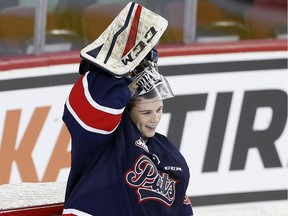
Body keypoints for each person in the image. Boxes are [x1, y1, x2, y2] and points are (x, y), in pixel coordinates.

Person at [61, 47, 193, 215]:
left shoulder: (169, 154)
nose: (155, 119)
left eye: (159, 109)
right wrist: (117, 70)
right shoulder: (104, 140)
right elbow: (96, 104)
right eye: (146, 113)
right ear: (125, 111)